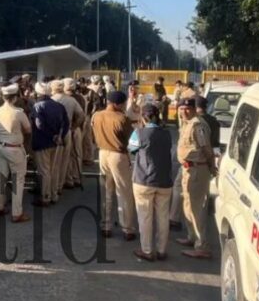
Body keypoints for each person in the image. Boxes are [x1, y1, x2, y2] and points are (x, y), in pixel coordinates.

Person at [127, 104, 173, 261]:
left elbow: (131, 149)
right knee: (163, 216)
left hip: (144, 180)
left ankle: (146, 250)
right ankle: (162, 250)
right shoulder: (167, 134)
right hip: (165, 180)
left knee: (145, 217)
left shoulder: (139, 133)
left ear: (143, 117)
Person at [91, 91, 136, 240]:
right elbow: (131, 139)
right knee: (124, 192)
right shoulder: (122, 118)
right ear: (118, 104)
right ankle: (127, 228)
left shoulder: (96, 116)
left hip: (102, 153)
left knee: (106, 191)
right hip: (118, 155)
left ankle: (106, 225)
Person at [175, 98, 214, 259]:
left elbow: (206, 148)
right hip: (188, 168)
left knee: (197, 208)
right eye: (181, 108)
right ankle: (192, 236)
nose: (184, 111)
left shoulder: (198, 125)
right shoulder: (187, 123)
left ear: (194, 109)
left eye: (187, 109)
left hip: (198, 169)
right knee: (187, 205)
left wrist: (211, 166)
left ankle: (202, 245)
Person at [0, 84, 31, 222]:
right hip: (15, 148)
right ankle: (17, 213)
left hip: (1, 147)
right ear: (15, 98)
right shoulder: (18, 113)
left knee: (1, 177)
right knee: (18, 180)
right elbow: (28, 130)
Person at [31, 82, 68, 206]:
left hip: (43, 142)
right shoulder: (59, 106)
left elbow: (39, 125)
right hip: (57, 143)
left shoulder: (37, 106)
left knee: (44, 171)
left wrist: (52, 136)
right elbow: (66, 124)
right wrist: (59, 136)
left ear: (39, 94)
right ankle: (53, 194)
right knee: (54, 169)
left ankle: (45, 197)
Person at [50, 80, 83, 196]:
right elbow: (81, 115)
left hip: (54, 133)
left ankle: (52, 187)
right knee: (65, 160)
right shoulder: (72, 100)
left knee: (54, 162)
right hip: (67, 131)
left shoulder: (52, 100)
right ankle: (60, 186)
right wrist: (74, 126)